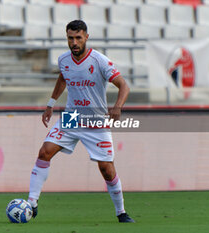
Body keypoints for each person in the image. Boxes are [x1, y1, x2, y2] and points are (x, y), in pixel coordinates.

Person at [27, 20, 135, 223]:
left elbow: (124, 86)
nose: (74, 42)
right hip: (72, 117)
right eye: (70, 38)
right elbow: (63, 78)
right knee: (44, 152)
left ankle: (121, 212)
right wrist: (50, 104)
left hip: (96, 120)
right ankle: (32, 204)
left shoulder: (99, 60)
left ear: (86, 37)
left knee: (106, 169)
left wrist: (118, 106)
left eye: (78, 38)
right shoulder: (64, 60)